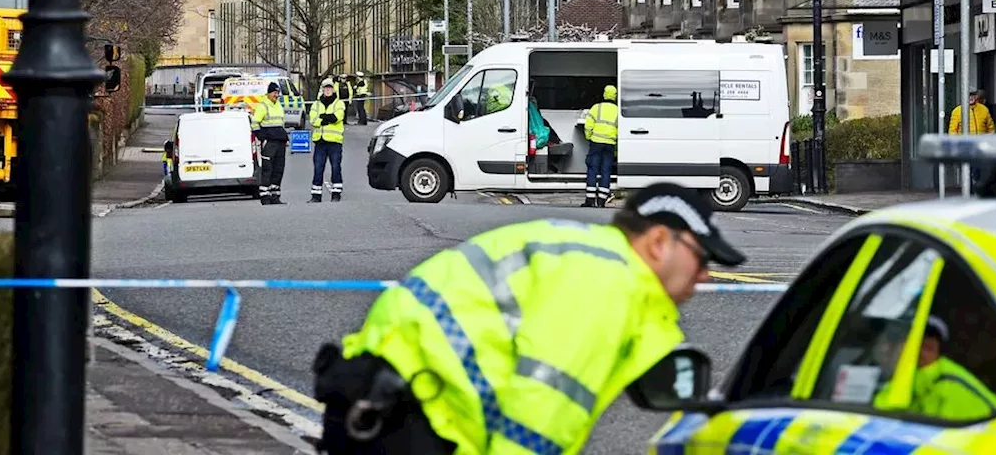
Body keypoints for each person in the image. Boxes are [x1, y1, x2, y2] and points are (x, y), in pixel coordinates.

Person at [312, 183, 744, 455]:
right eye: (702, 256)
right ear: (657, 242)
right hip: (412, 420)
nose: (706, 273)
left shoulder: (592, 257)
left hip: (389, 403)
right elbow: (539, 413)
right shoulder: (609, 282)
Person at [873, 315, 996, 421]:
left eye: (928, 346)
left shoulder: (949, 383)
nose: (920, 351)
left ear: (938, 352)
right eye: (917, 342)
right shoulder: (907, 379)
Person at [252, 81, 289, 205]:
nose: (276, 95)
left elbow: (280, 124)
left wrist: (285, 138)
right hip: (269, 143)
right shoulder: (263, 106)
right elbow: (255, 123)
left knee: (279, 169)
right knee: (268, 169)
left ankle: (275, 196)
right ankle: (265, 196)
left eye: (277, 92)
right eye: (274, 92)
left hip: (280, 142)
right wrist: (263, 138)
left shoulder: (278, 105)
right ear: (269, 93)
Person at [948, 89, 996, 184]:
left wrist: (990, 139)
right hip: (965, 145)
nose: (971, 98)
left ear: (976, 97)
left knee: (977, 169)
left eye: (973, 96)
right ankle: (970, 189)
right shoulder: (957, 111)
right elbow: (953, 130)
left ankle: (975, 185)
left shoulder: (983, 109)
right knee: (968, 168)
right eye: (969, 96)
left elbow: (990, 127)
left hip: (980, 145)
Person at [310, 78, 346, 203]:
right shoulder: (316, 104)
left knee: (335, 167)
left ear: (333, 89)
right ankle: (316, 195)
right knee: (318, 168)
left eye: (329, 88)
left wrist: (323, 118)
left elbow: (337, 117)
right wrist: (325, 119)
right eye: (325, 88)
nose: (327, 90)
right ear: (322, 89)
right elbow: (313, 121)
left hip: (334, 142)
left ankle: (336, 194)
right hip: (320, 142)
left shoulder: (339, 103)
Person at [583, 85, 619, 208]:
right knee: (606, 170)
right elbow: (620, 129)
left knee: (592, 169)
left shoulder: (596, 108)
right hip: (610, 144)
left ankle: (590, 199)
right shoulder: (617, 111)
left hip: (596, 142)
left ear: (604, 94)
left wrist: (589, 136)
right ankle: (602, 201)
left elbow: (588, 125)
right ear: (615, 96)